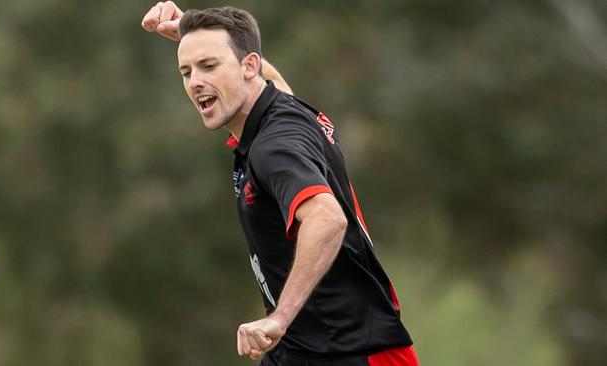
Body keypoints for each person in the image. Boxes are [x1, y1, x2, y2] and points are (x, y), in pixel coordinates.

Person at [141, 3, 419, 365]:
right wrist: (190, 35)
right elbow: (270, 81)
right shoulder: (278, 109)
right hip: (305, 347)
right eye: (186, 70)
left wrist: (279, 318)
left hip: (353, 351)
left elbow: (327, 218)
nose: (195, 82)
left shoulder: (274, 147)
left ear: (249, 66)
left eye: (209, 66)